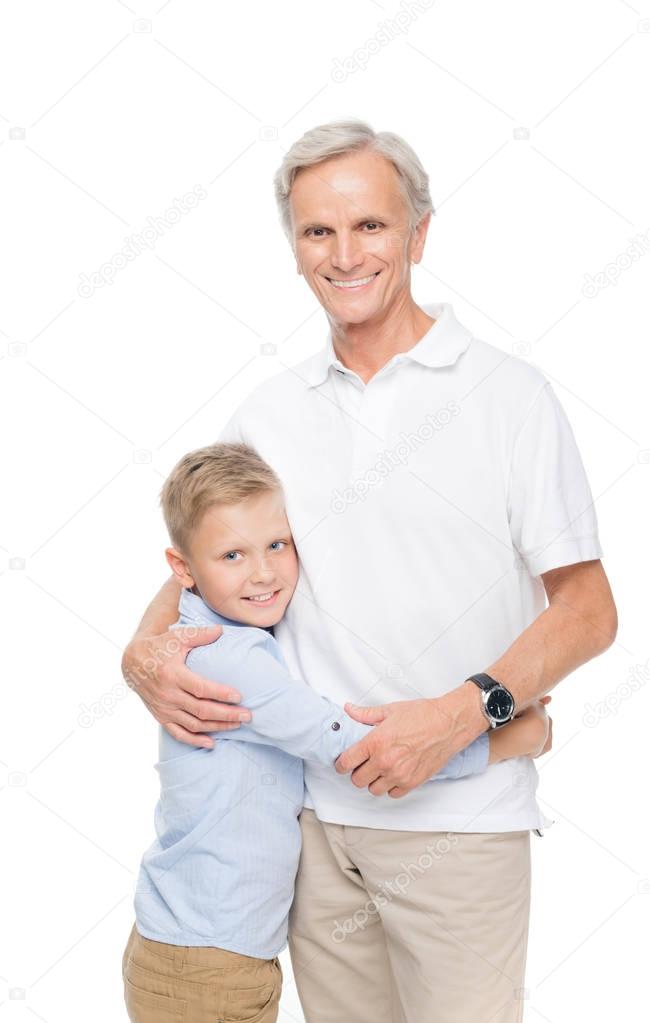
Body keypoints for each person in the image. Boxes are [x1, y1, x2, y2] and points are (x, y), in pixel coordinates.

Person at [122, 120, 617, 1022]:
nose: (345, 254)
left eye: (370, 227)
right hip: (311, 837)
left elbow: (587, 611)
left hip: (461, 832)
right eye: (318, 231)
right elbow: (206, 560)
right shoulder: (267, 413)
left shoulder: (509, 397)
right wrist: (142, 652)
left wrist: (468, 713)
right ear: (295, 250)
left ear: (418, 234)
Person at [122, 441, 552, 1023]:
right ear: (182, 570)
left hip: (210, 948)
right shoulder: (230, 659)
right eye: (232, 556)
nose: (265, 572)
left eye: (278, 544)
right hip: (205, 962)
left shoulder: (230, 638)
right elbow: (357, 748)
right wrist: (510, 739)